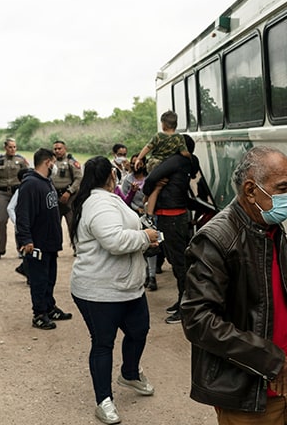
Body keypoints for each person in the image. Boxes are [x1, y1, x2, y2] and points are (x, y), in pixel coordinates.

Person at [181, 146, 287, 424]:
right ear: (251, 190)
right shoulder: (217, 239)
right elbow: (198, 320)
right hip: (247, 396)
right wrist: (267, 359)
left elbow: (266, 296)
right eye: (282, 188)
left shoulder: (270, 229)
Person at [69, 156, 161, 425]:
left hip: (127, 287)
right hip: (98, 291)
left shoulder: (112, 198)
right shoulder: (98, 203)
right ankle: (103, 401)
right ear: (110, 174)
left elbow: (124, 230)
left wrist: (144, 237)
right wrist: (145, 238)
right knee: (103, 343)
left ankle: (130, 374)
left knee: (139, 330)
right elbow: (113, 240)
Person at [15, 148, 72, 330]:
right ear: (48, 162)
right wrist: (26, 240)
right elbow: (22, 214)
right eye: (53, 162)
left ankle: (49, 307)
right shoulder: (30, 184)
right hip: (37, 243)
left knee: (50, 278)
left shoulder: (46, 182)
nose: (55, 166)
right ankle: (39, 314)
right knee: (39, 280)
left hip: (50, 241)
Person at [142, 135, 195, 324]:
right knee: (176, 261)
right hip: (172, 216)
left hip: (171, 217)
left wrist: (150, 188)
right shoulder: (186, 162)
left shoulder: (176, 161)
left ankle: (185, 306)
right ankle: (183, 301)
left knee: (179, 263)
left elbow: (151, 179)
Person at [135, 110, 191, 219]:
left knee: (154, 186)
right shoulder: (179, 138)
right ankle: (149, 214)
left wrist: (139, 158)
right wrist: (190, 157)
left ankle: (146, 199)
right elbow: (184, 153)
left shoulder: (159, 136)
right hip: (166, 166)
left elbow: (148, 147)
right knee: (157, 188)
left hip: (153, 163)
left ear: (163, 124)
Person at [120, 153, 158, 291]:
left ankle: (153, 276)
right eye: (134, 162)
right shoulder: (127, 180)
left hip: (150, 214)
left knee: (153, 244)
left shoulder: (150, 179)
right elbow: (124, 200)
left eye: (139, 162)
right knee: (140, 245)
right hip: (134, 216)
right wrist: (137, 208)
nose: (137, 165)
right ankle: (145, 275)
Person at [0, 138, 29, 260]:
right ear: (5, 147)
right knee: (1, 221)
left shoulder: (21, 160)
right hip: (2, 193)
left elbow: (28, 175)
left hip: (17, 192)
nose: (13, 149)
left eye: (15, 147)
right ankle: (0, 250)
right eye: (10, 147)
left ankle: (21, 248)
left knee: (19, 221)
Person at [51, 140, 83, 238]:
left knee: (72, 224)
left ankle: (76, 247)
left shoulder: (71, 162)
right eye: (55, 149)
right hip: (55, 197)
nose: (57, 151)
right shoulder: (51, 162)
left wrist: (69, 192)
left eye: (59, 148)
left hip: (69, 198)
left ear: (65, 149)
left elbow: (79, 178)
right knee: (54, 225)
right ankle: (53, 250)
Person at [7, 167, 32, 282]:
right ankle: (28, 273)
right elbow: (10, 208)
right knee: (26, 251)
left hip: (30, 225)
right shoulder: (20, 190)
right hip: (23, 227)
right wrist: (18, 222)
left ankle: (24, 269)